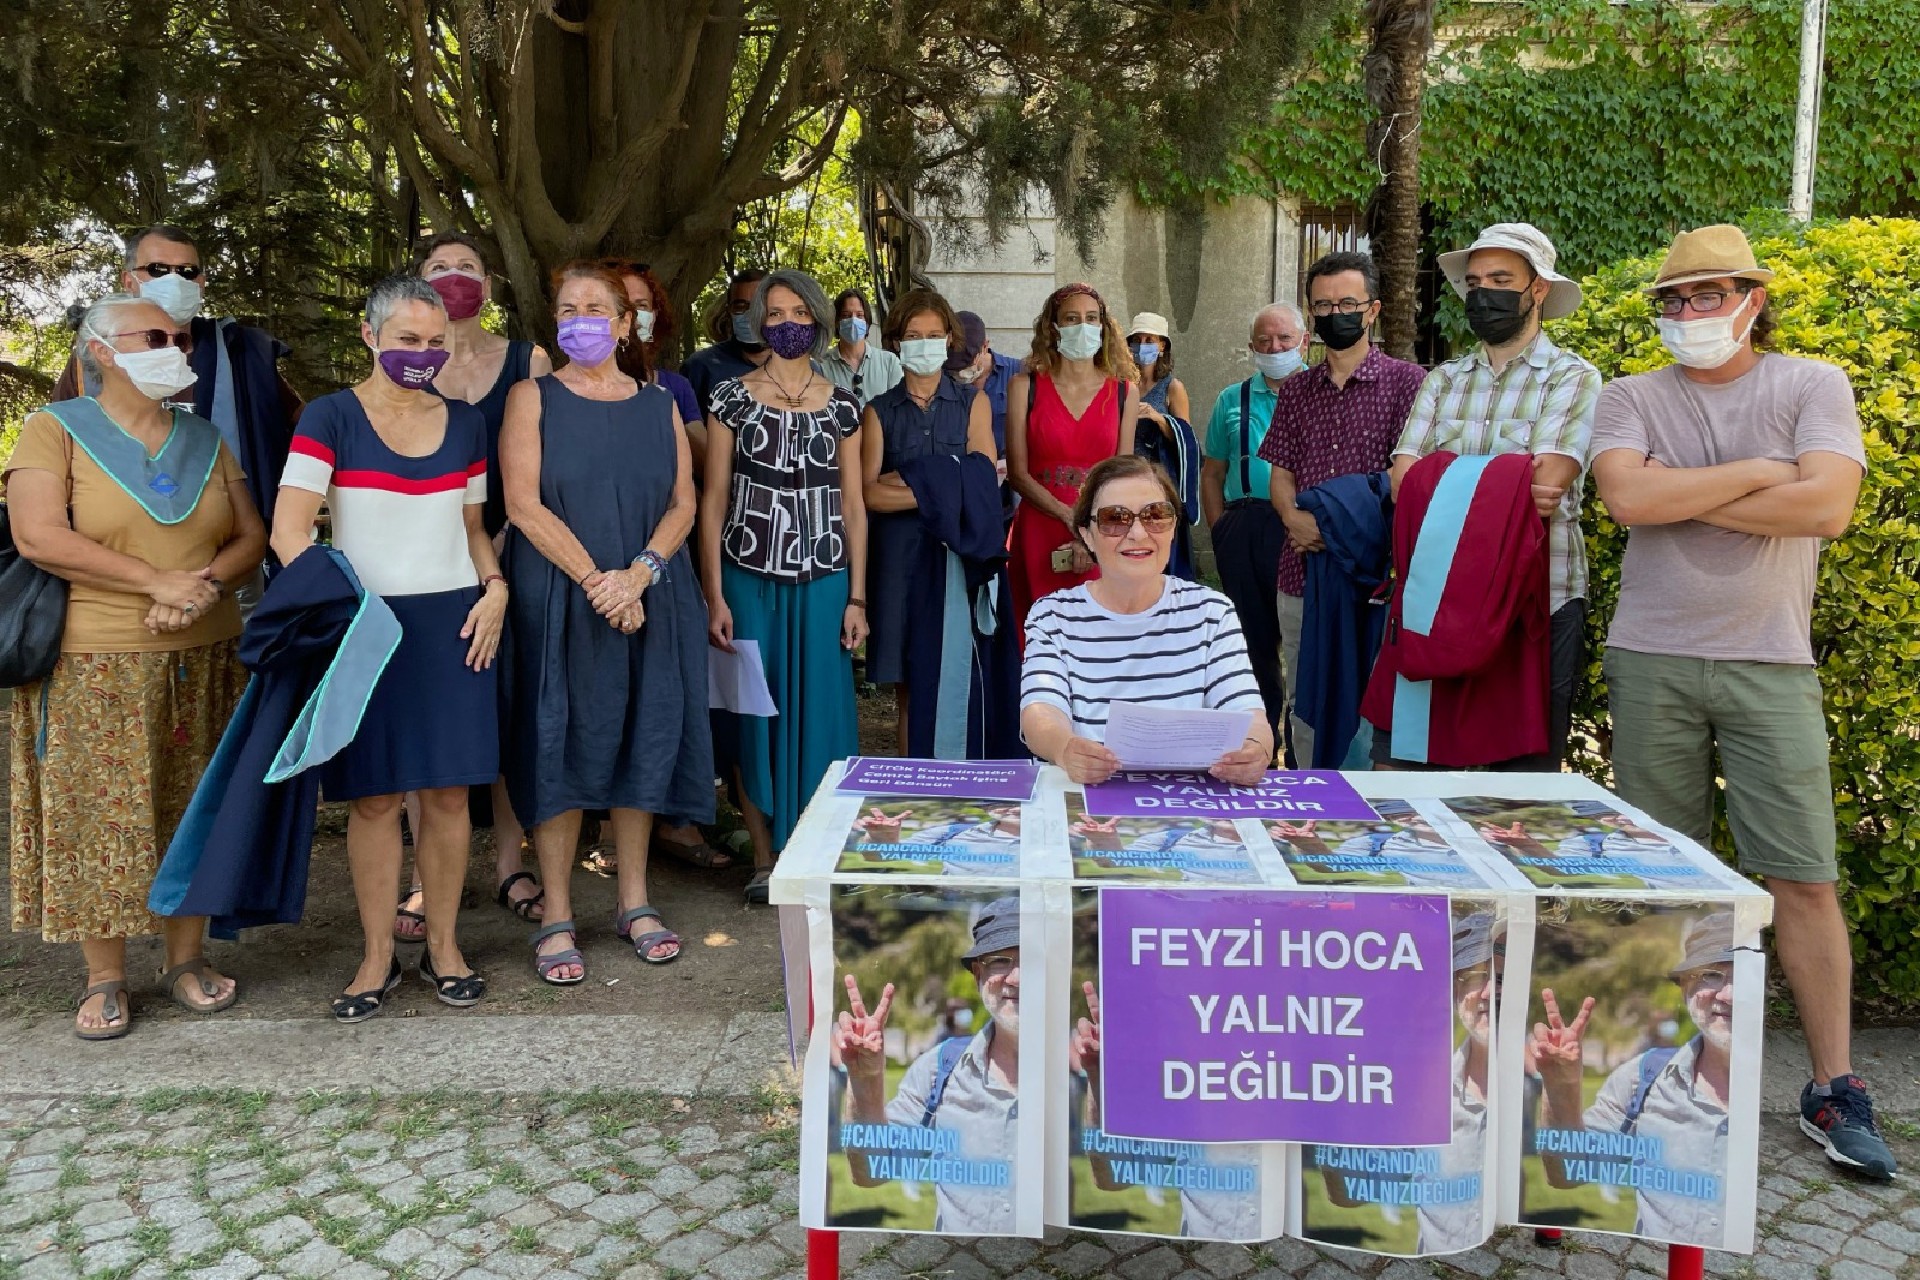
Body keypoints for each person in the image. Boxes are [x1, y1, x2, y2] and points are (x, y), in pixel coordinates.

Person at [1588, 224, 1892, 1178]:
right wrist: (1765, 473)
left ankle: (1833, 1090)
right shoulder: (1629, 396)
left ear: (1752, 299)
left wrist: (1685, 493)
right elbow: (1627, 501)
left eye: (1707, 295)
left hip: (1771, 662)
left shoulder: (1811, 385)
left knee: (1800, 876)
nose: (1688, 314)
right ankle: (1660, 1081)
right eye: (1673, 300)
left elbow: (1827, 509)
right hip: (1652, 661)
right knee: (1665, 885)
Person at [6, 293, 266, 1040]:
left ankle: (186, 958)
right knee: (104, 816)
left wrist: (202, 588)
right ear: (101, 350)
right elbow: (38, 536)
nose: (177, 347)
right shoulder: (54, 432)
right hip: (96, 659)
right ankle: (105, 975)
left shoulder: (205, 438)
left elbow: (248, 537)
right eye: (156, 336)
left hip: (205, 652)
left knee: (194, 806)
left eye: (182, 337)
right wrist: (155, 584)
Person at [271, 275, 504, 1022]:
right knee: (372, 799)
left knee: (446, 794)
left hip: (453, 625)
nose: (423, 354)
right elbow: (289, 532)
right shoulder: (329, 418)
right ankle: (376, 955)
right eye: (407, 339)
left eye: (435, 342)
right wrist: (340, 609)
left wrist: (495, 588)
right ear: (370, 336)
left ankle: (443, 948)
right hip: (362, 628)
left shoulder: (467, 425)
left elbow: (472, 530)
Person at [497, 261, 712, 982]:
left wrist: (639, 575)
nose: (580, 320)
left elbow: (684, 502)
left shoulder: (658, 405)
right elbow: (523, 505)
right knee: (557, 739)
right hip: (562, 594)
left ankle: (634, 900)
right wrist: (597, 582)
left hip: (649, 594)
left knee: (642, 736)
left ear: (626, 324)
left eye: (597, 308)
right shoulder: (531, 398)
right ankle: (557, 911)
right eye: (567, 309)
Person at [1379, 224, 1601, 770]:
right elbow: (1402, 481)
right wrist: (1506, 484)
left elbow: (1550, 479)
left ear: (1539, 289)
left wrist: (1444, 479)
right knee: (1420, 768)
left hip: (1539, 599)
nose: (1484, 293)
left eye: (1501, 279)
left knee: (1520, 783)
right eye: (1475, 281)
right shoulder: (1443, 380)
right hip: (1436, 602)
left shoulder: (1574, 378)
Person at [392, 231, 555, 939]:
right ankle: (425, 881)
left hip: (515, 556)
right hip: (418, 564)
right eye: (439, 269)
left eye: (467, 268)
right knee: (422, 719)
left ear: (488, 285)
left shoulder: (528, 361)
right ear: (418, 286)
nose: (455, 278)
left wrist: (493, 547)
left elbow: (549, 473)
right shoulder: (398, 362)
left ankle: (509, 863)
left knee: (510, 708)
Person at [700, 269, 866, 905]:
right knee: (754, 715)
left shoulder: (844, 403)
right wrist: (714, 594)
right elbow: (713, 501)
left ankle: (821, 850)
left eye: (799, 311)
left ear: (817, 318)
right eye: (775, 313)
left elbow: (854, 506)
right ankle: (767, 860)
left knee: (824, 709)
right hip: (747, 579)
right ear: (758, 322)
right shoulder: (729, 398)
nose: (787, 323)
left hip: (825, 582)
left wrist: (858, 597)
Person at [1259, 252, 1425, 767]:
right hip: (1301, 571)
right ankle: (1312, 812)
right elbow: (1281, 471)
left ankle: (1373, 819)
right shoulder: (1298, 392)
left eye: (1347, 303)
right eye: (1323, 305)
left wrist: (1336, 527)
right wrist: (1294, 520)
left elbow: (1408, 481)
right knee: (1307, 701)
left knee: (1374, 706)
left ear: (1372, 310)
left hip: (1375, 579)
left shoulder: (1410, 384)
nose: (1336, 314)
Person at [1020, 456, 1272, 786]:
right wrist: (1065, 749)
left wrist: (1255, 751)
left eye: (1156, 516)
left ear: (1173, 529)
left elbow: (1248, 713)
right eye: (1115, 519)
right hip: (1088, 798)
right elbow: (1040, 711)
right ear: (1088, 535)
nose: (1138, 533)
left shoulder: (1213, 612)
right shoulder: (1052, 615)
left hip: (1191, 805)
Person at [54, 224, 301, 558]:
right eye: (158, 270)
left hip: (226, 557)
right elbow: (58, 453)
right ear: (129, 281)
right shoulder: (92, 360)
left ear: (201, 284)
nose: (175, 280)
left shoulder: (243, 353)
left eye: (188, 272)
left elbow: (306, 428)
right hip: (113, 557)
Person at [602, 260, 733, 872]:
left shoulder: (675, 389)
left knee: (666, 700)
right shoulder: (553, 390)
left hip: (662, 561)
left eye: (639, 305)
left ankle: (674, 822)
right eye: (617, 303)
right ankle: (601, 830)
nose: (629, 316)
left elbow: (704, 471)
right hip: (593, 566)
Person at [1531, 913, 1743, 1245]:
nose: (1728, 994)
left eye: (1744, 976)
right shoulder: (1644, 1077)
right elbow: (1567, 1173)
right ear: (1685, 985)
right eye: (1712, 975)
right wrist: (1561, 1088)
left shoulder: (1802, 1099)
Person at [860, 288, 999, 752]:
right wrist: (946, 488)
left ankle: (959, 780)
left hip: (955, 559)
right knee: (908, 685)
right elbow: (869, 493)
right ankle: (914, 790)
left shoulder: (972, 404)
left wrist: (913, 484)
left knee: (958, 670)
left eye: (934, 335)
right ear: (897, 342)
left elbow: (982, 482)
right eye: (914, 335)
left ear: (949, 340)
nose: (924, 343)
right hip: (898, 560)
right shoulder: (877, 411)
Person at [834, 897, 1023, 1235]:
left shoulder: (1086, 1068)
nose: (1017, 978)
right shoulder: (939, 1068)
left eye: (1033, 961)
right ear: (978, 973)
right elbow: (871, 1172)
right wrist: (866, 1082)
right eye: (1000, 960)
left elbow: (1112, 1175)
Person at [1315, 912, 1501, 1253]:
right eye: (1476, 975)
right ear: (1455, 990)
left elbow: (1570, 1177)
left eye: (1503, 977)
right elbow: (1351, 1193)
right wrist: (1341, 1086)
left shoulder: (1542, 1081)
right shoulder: (1421, 1087)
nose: (1490, 991)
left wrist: (1562, 1090)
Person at [1005, 283, 1140, 637]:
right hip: (1040, 526)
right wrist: (1069, 516)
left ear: (1103, 326)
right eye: (1072, 318)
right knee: (1037, 640)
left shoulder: (1125, 391)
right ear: (1054, 327)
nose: (1083, 325)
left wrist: (1089, 533)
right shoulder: (1025, 386)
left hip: (1103, 530)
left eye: (1091, 318)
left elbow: (1121, 477)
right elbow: (1018, 473)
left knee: (1099, 638)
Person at [1201, 303, 1308, 745]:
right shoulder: (1233, 398)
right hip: (1244, 526)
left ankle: (1302, 739)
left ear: (1303, 340)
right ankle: (1262, 741)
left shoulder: (1319, 393)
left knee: (1300, 636)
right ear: (1251, 347)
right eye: (1264, 341)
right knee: (1252, 639)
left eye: (1283, 339)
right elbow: (1212, 472)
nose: (1274, 347)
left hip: (1300, 528)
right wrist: (1220, 529)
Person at [1124, 311, 1200, 581]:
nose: (1143, 345)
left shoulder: (1172, 387)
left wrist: (1158, 419)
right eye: (1138, 339)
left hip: (1159, 483)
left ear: (1162, 345)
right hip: (1125, 480)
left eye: (1150, 339)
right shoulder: (1123, 384)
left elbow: (1186, 440)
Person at [683, 268, 770, 414]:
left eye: (758, 306)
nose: (750, 314)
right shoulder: (701, 367)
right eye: (740, 306)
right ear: (729, 310)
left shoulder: (804, 369)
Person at [949, 311, 1023, 456]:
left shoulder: (1018, 373)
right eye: (955, 366)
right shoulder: (942, 378)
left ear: (985, 346)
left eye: (968, 362)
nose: (961, 371)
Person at [822, 287, 903, 409]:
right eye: (846, 315)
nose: (853, 320)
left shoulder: (889, 363)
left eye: (859, 315)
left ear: (867, 322)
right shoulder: (822, 365)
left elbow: (899, 409)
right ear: (837, 322)